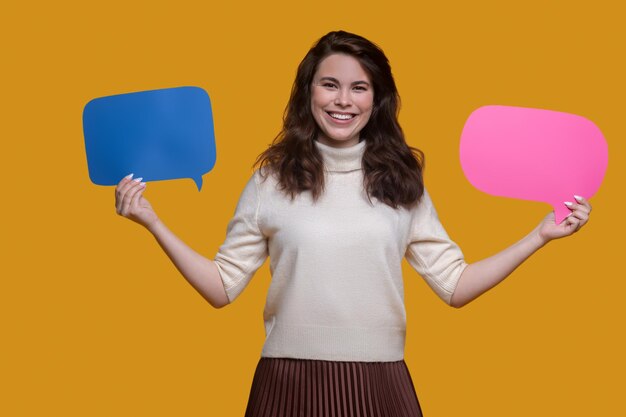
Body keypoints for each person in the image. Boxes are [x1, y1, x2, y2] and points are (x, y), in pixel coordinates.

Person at [114, 31, 592, 417]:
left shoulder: (402, 181)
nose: (343, 100)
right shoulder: (271, 178)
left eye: (359, 87)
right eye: (329, 84)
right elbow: (221, 287)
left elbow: (456, 285)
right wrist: (153, 222)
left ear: (376, 99)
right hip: (287, 383)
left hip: (381, 382)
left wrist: (539, 236)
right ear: (309, 92)